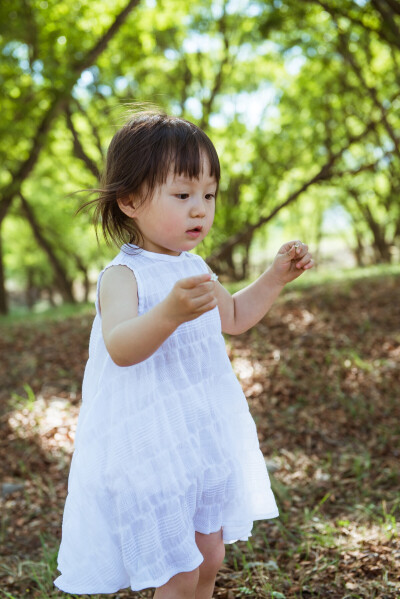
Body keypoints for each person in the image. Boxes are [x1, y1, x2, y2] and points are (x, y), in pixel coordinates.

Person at [54, 110, 314, 599]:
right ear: (130, 200)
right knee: (177, 570)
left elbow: (233, 316)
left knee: (209, 554)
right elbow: (121, 347)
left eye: (208, 195)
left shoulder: (194, 265)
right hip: (151, 442)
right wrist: (168, 314)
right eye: (182, 195)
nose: (200, 209)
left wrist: (276, 277)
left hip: (199, 433)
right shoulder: (123, 275)